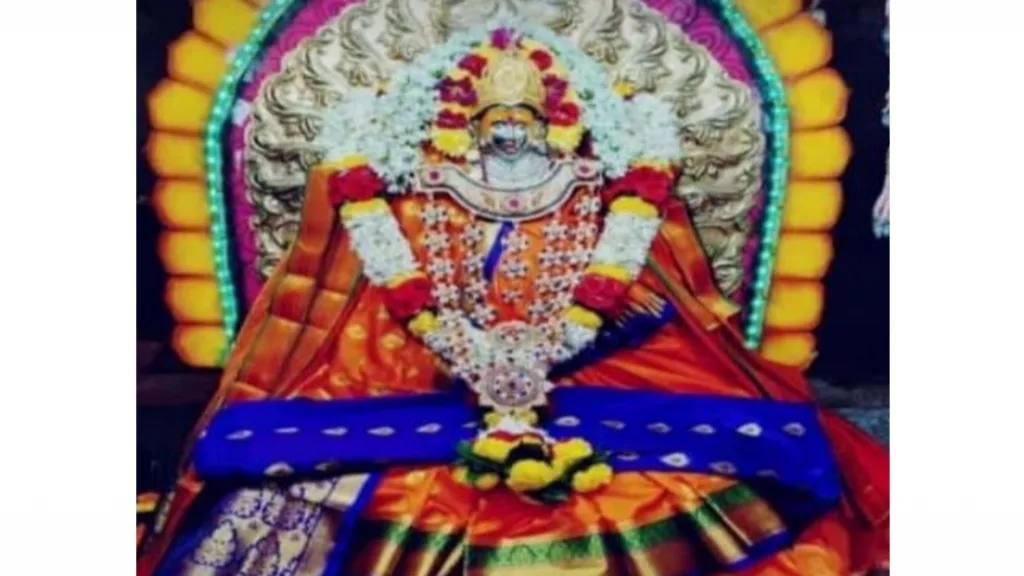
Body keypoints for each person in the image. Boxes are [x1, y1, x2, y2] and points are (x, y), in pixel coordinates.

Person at [139, 27, 888, 576]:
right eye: (493, 122)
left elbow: (649, 301)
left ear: (550, 122)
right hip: (430, 385)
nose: (506, 132)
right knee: (294, 479)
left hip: (587, 377)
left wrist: (565, 341)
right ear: (466, 126)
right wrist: (454, 349)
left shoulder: (601, 202)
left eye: (521, 121)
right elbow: (379, 323)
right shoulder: (417, 205)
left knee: (727, 458)